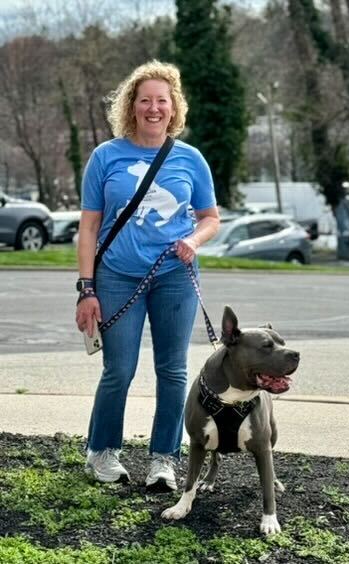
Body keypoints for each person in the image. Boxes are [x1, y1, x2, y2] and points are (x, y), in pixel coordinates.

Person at [75, 60, 219, 492]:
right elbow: (89, 228)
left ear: (174, 107)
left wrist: (194, 240)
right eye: (145, 101)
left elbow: (211, 218)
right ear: (131, 107)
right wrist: (86, 289)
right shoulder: (106, 156)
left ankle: (164, 459)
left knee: (173, 370)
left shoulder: (191, 159)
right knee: (119, 369)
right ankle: (102, 452)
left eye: (162, 100)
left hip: (175, 276)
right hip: (118, 275)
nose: (154, 108)